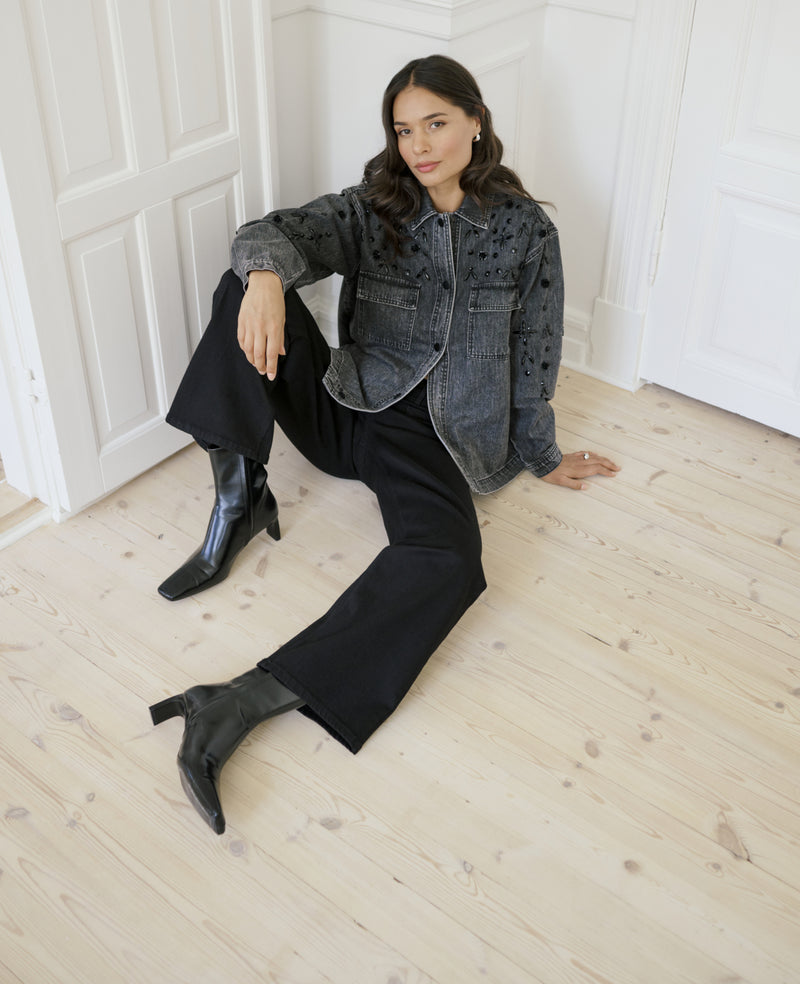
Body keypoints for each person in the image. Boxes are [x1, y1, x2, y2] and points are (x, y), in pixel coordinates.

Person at [149, 55, 620, 834]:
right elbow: (268, 235)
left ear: (476, 121)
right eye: (404, 130)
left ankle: (238, 701)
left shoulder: (524, 231)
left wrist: (543, 454)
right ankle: (238, 500)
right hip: (347, 402)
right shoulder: (375, 209)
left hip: (434, 436)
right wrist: (266, 279)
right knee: (245, 283)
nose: (419, 146)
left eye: (436, 123)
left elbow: (536, 352)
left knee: (451, 559)